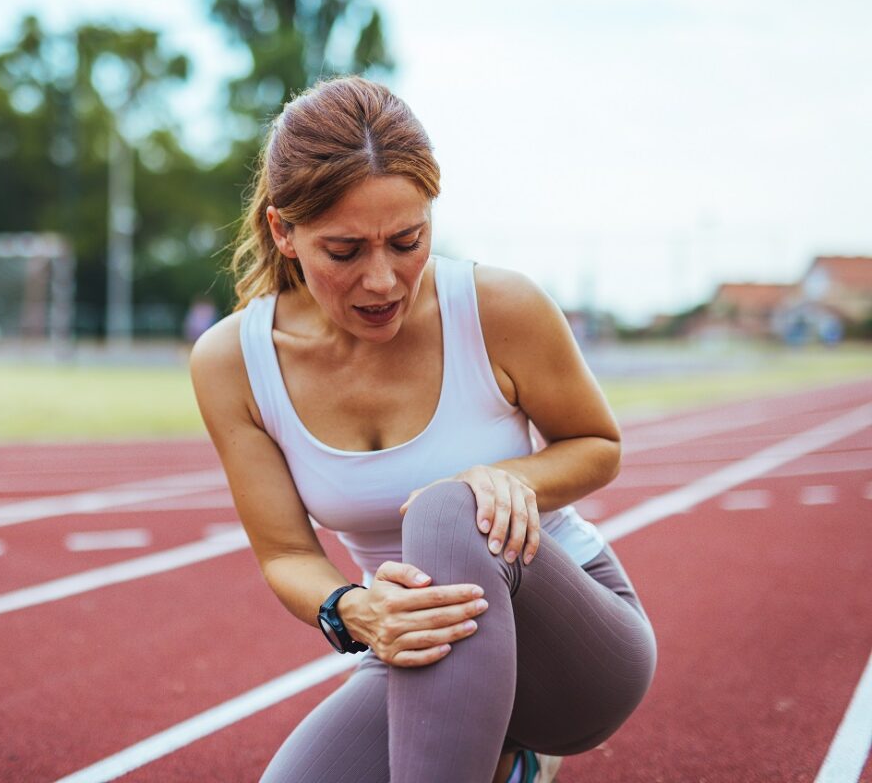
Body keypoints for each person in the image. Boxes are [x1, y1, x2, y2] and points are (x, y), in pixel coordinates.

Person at [190, 77, 656, 783]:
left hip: (578, 654)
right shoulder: (233, 362)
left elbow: (599, 444)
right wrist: (351, 608)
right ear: (284, 231)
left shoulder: (500, 306)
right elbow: (285, 554)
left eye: (407, 241)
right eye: (345, 252)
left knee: (449, 506)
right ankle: (508, 765)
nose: (382, 281)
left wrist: (503, 481)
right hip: (424, 649)